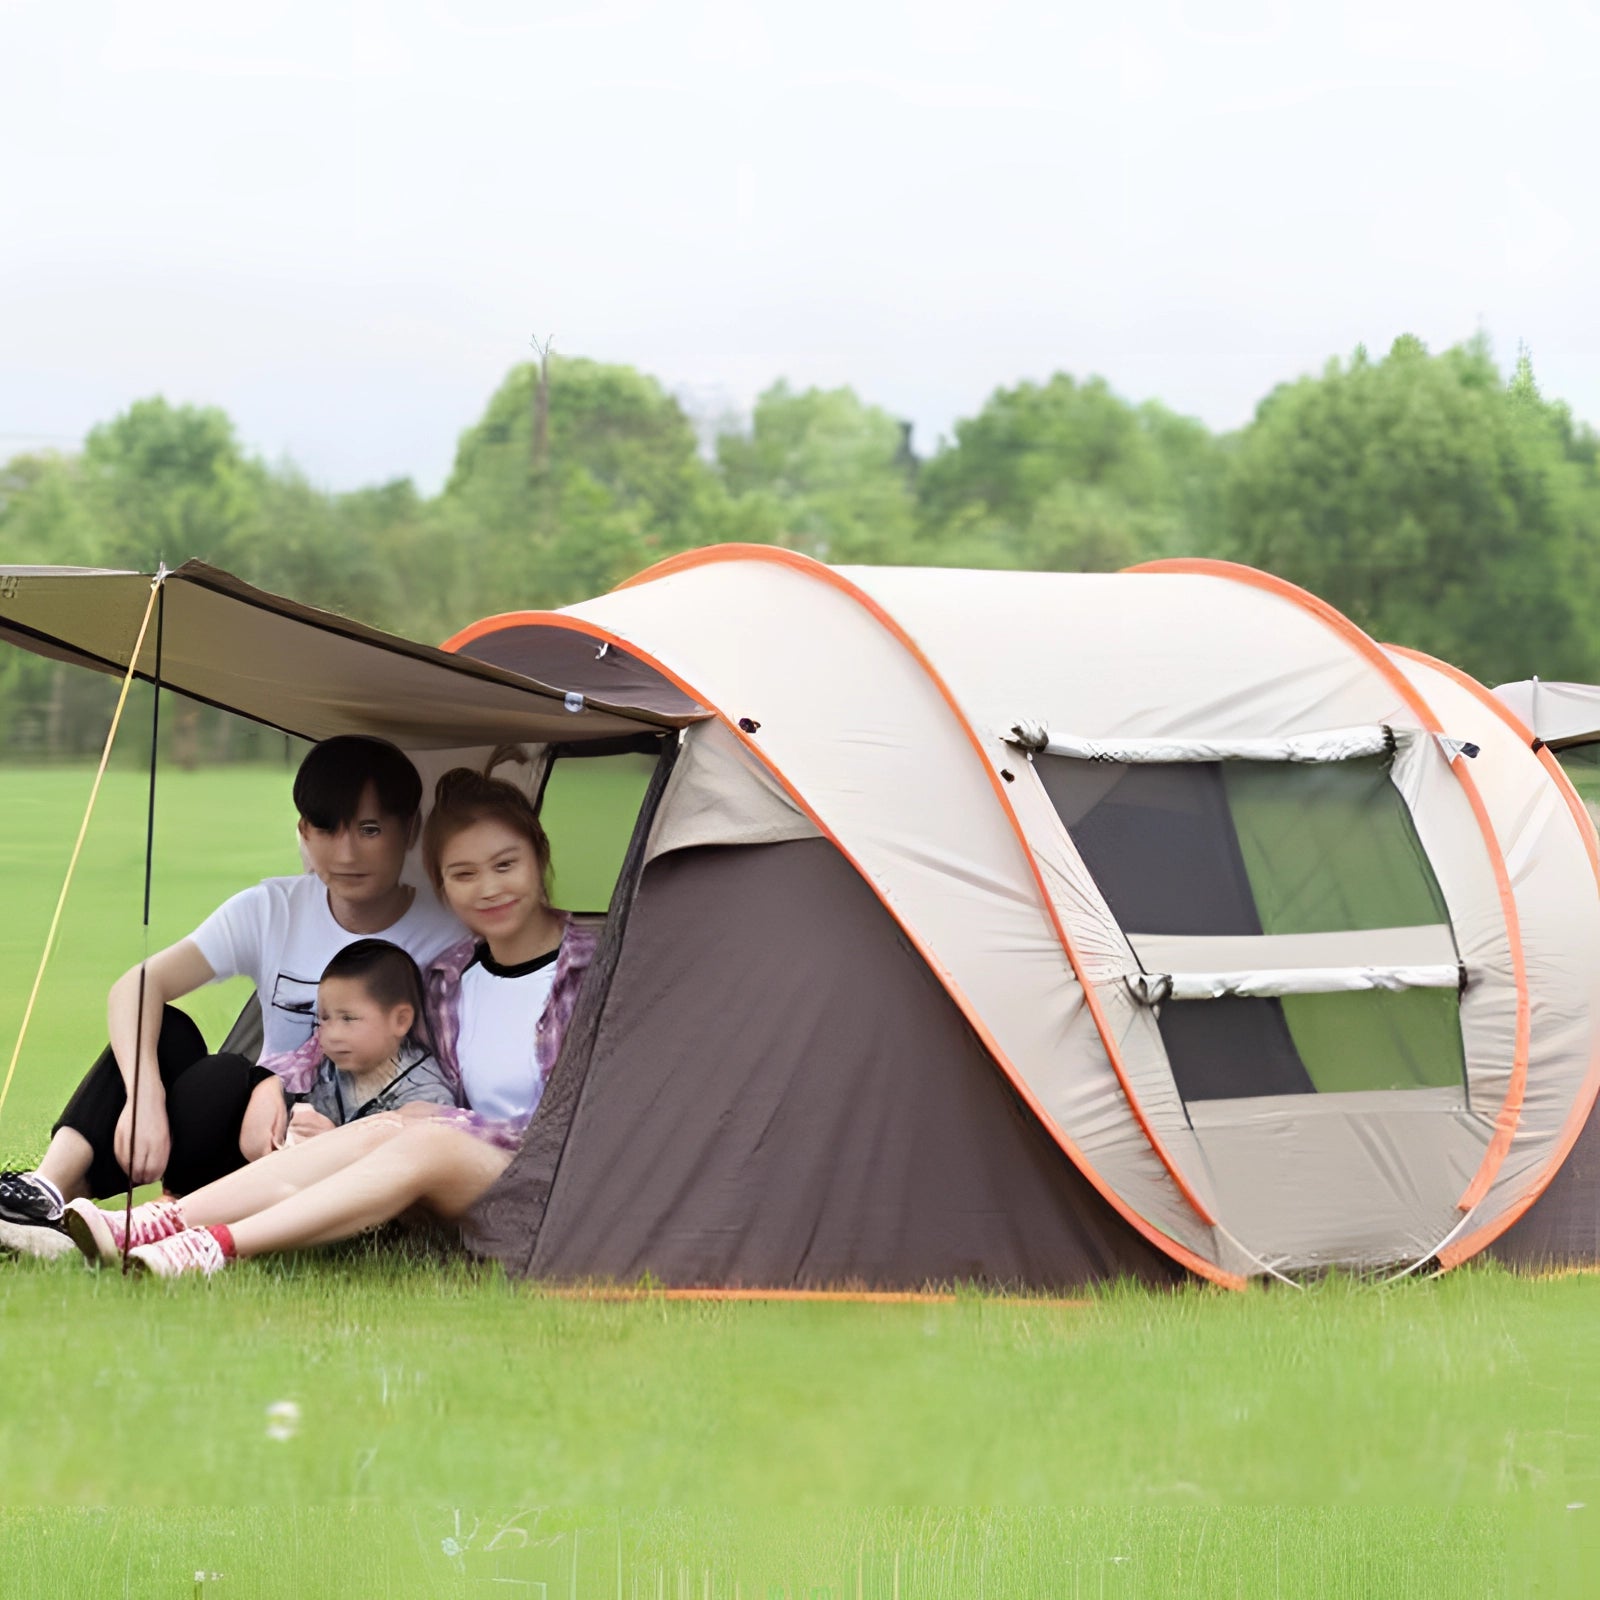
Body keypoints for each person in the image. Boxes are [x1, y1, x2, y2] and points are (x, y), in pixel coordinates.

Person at [62, 750, 601, 1276]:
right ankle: (160, 1221)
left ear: (539, 856)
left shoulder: (596, 969)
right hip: (449, 1166)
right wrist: (272, 1081)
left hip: (545, 1181)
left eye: (506, 865)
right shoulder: (447, 977)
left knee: (425, 1129)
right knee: (394, 1125)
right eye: (463, 874)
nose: (488, 888)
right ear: (443, 885)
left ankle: (215, 1245)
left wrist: (437, 1121)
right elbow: (350, 1042)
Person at [0, 736, 464, 1255]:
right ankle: (48, 1191)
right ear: (303, 832)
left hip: (332, 1145)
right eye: (326, 829)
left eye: (370, 829)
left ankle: (115, 1222)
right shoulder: (273, 909)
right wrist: (144, 1097)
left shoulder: (446, 933)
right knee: (169, 1034)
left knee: (225, 1076)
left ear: (410, 831)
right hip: (245, 1130)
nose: (347, 852)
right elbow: (138, 984)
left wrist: (278, 1088)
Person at [64, 937, 454, 1264]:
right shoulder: (328, 1067)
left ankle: (181, 1231)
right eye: (324, 1020)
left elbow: (411, 1179)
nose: (330, 1035)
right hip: (289, 1182)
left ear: (401, 1021)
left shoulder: (424, 1093)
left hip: (351, 1212)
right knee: (222, 1078)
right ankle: (160, 1221)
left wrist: (334, 1140)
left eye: (348, 1019)